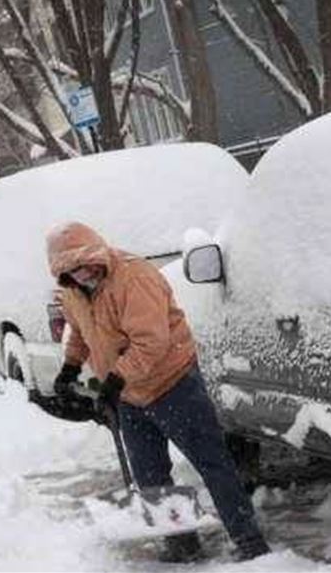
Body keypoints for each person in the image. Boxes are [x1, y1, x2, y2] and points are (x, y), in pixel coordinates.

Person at [38, 221, 270, 563]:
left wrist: (115, 380)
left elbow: (152, 342)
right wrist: (70, 367)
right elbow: (79, 330)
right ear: (63, 272)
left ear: (98, 253)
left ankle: (249, 542)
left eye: (87, 263)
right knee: (149, 475)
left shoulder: (134, 278)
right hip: (129, 396)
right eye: (73, 269)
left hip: (173, 383)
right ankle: (183, 546)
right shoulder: (73, 292)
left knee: (212, 463)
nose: (84, 273)